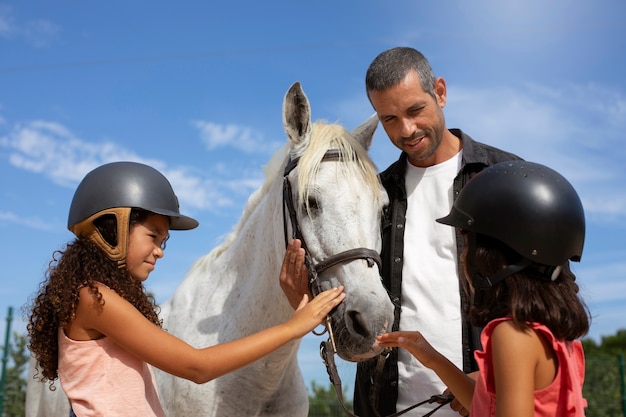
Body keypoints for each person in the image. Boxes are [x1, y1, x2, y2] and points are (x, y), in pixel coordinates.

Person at [279, 46, 522, 416]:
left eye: (414, 111)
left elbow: (547, 301)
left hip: (489, 403)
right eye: (389, 118)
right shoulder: (374, 192)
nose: (406, 130)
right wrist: (308, 295)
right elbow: (350, 281)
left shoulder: (506, 177)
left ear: (439, 92)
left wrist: (488, 376)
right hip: (389, 404)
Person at [26, 161, 345, 417]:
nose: (160, 251)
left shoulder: (103, 298)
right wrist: (290, 328)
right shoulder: (93, 298)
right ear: (113, 226)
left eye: (163, 242)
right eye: (153, 236)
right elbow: (197, 366)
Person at [376, 160, 590, 416]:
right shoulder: (551, 334)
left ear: (494, 257)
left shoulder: (512, 335)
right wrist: (434, 360)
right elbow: (488, 407)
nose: (463, 256)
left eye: (468, 245)